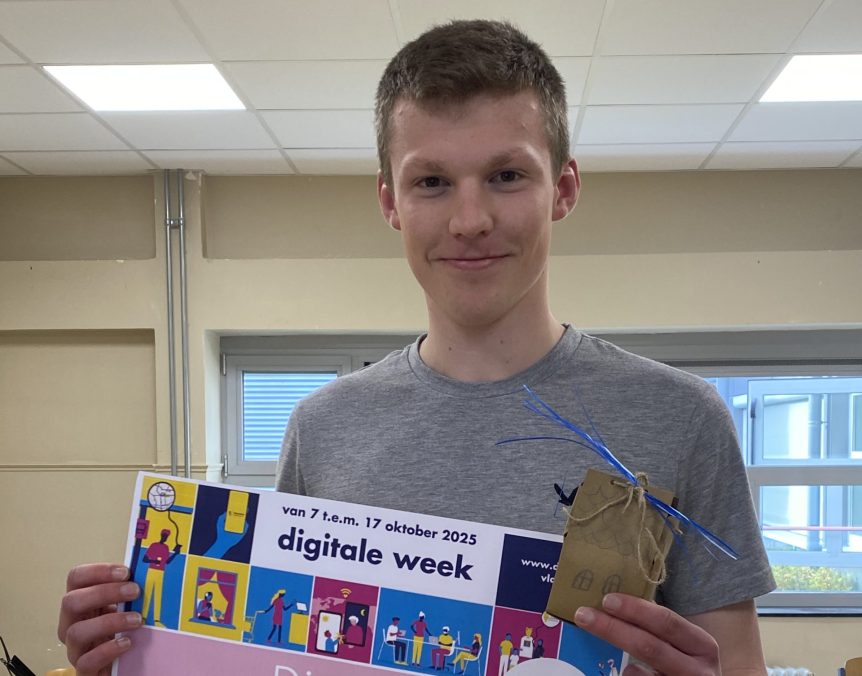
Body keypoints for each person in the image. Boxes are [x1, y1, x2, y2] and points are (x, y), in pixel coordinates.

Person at [57, 18, 774, 676]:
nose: (470, 219)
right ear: (389, 202)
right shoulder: (323, 427)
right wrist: (136, 655)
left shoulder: (682, 419)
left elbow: (738, 664)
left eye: (506, 175)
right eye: (432, 182)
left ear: (563, 188)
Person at [140, 528, 180, 628]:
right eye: (164, 535)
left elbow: (167, 561)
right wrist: (154, 561)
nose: (165, 537)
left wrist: (175, 554)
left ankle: (157, 620)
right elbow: (144, 559)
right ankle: (143, 617)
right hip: (151, 571)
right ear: (161, 535)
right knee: (148, 593)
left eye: (166, 536)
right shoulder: (154, 545)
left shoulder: (166, 548)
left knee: (158, 594)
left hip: (161, 572)